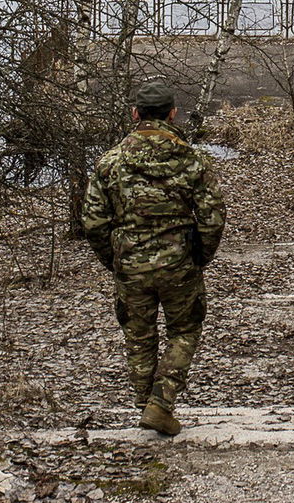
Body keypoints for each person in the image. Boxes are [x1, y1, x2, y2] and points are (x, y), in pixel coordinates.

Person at [82, 81, 225, 436]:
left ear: (135, 114)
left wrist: (113, 259)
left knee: (139, 336)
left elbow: (93, 221)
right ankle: (160, 405)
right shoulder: (192, 159)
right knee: (185, 330)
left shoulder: (110, 161)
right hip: (179, 262)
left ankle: (148, 406)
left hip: (130, 262)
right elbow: (213, 217)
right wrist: (200, 256)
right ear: (172, 113)